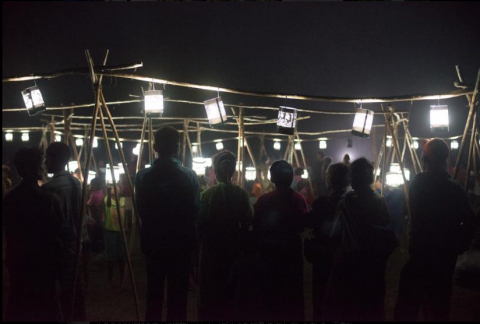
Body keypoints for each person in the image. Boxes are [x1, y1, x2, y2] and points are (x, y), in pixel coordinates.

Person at [394, 139, 475, 322]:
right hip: (445, 257)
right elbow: (470, 219)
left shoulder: (419, 183)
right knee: (439, 305)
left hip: (421, 255)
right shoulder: (453, 188)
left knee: (409, 306)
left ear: (426, 159)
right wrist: (459, 244)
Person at [135, 126, 200, 322]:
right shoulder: (189, 176)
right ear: (178, 148)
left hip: (153, 241)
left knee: (153, 294)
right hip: (180, 242)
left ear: (154, 147)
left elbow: (141, 209)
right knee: (178, 296)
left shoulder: (142, 176)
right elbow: (195, 209)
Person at [3, 147, 75, 321]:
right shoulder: (49, 200)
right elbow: (62, 236)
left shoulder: (8, 200)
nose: (45, 167)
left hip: (19, 268)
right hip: (44, 270)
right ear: (37, 168)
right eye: (43, 163)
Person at [323, 157, 394, 322]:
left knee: (347, 305)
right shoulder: (379, 201)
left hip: (349, 260)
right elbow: (385, 222)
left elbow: (335, 233)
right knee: (370, 305)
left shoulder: (346, 202)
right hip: (373, 260)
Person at [197, 151, 254, 321]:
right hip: (234, 248)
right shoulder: (242, 194)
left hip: (211, 249)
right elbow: (249, 221)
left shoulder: (207, 195)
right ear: (233, 170)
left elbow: (200, 222)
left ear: (215, 170)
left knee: (211, 291)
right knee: (231, 291)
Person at [253, 160, 308, 321]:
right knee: (293, 295)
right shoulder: (298, 199)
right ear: (291, 177)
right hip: (292, 252)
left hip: (269, 253)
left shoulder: (263, 200)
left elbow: (256, 227)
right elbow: (302, 225)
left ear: (272, 178)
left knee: (271, 295)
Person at [43, 142, 86, 321]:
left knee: (60, 291)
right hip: (78, 243)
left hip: (60, 246)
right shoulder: (76, 182)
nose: (45, 163)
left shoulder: (49, 188)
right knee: (76, 288)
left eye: (47, 158)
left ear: (52, 160)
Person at [305, 163, 350, 321]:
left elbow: (308, 223)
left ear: (329, 180)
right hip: (347, 259)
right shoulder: (352, 204)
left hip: (323, 258)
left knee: (321, 299)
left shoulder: (321, 203)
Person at [104, 184, 126, 286]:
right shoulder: (107, 199)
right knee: (111, 254)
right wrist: (108, 192)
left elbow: (128, 212)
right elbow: (108, 204)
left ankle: (123, 276)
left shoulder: (123, 200)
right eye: (112, 187)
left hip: (121, 231)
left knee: (122, 254)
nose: (114, 188)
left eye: (117, 187)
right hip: (110, 230)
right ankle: (110, 277)